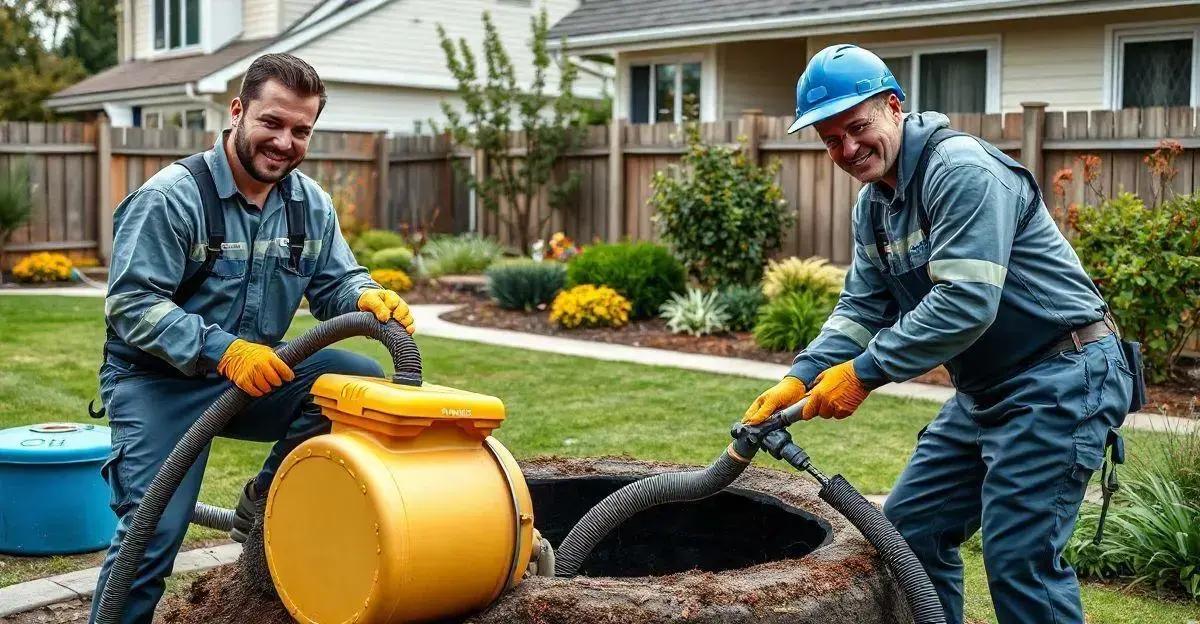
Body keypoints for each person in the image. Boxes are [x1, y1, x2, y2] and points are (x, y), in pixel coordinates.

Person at [743, 44, 1138, 624]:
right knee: (908, 534)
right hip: (986, 391)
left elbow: (966, 303)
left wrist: (861, 374)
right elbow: (860, 307)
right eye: (831, 140)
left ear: (894, 106)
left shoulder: (961, 171)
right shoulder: (873, 206)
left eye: (858, 128)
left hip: (1061, 375)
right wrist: (799, 376)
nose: (848, 149)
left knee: (1019, 556)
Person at [90, 53, 414, 624]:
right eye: (272, 122)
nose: (285, 141)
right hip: (157, 383)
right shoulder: (172, 197)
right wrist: (225, 350)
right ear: (237, 112)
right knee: (151, 537)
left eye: (300, 130)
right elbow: (131, 304)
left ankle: (264, 502)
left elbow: (336, 282)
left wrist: (365, 295)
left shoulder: (309, 205)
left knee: (351, 380)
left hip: (254, 376)